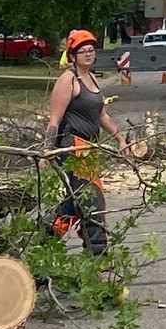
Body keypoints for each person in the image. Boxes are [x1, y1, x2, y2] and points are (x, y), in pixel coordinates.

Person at [45, 30, 130, 257]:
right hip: (73, 146)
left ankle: (44, 239)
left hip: (89, 148)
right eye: (82, 51)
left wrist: (120, 138)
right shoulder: (68, 80)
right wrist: (48, 149)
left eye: (91, 50)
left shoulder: (91, 79)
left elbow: (101, 115)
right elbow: (55, 117)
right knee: (92, 200)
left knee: (76, 202)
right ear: (72, 56)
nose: (88, 54)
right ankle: (97, 255)